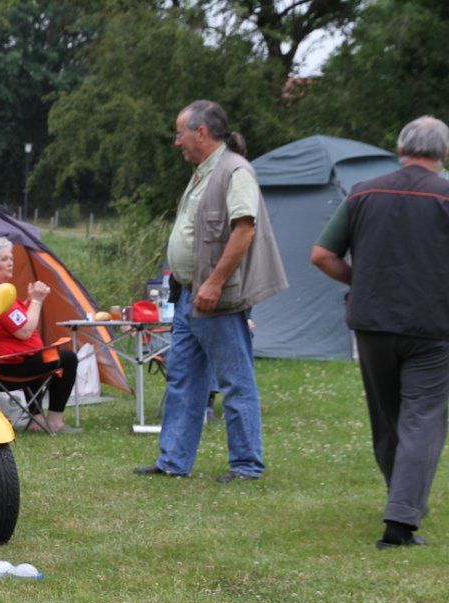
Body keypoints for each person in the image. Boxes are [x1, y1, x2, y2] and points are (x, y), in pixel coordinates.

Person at [311, 115, 449, 549]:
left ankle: (402, 500)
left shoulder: (363, 193)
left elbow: (321, 255)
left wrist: (362, 282)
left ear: (400, 147)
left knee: (388, 421)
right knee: (422, 419)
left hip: (371, 324)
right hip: (431, 326)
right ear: (442, 154)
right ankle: (401, 520)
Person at [134, 100, 286, 481]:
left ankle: (247, 465)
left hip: (215, 298)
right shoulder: (205, 171)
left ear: (201, 131)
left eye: (180, 132)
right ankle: (173, 462)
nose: (176, 141)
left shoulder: (234, 171)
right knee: (183, 379)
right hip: (187, 295)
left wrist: (215, 282)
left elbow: (244, 228)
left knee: (235, 379)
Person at [0, 236, 79, 434]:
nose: (11, 263)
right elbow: (25, 331)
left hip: (1, 364)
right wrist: (36, 301)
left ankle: (37, 419)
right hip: (9, 367)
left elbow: (14, 323)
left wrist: (29, 302)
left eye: (11, 258)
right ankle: (55, 421)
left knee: (41, 354)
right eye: (4, 259)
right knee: (67, 359)